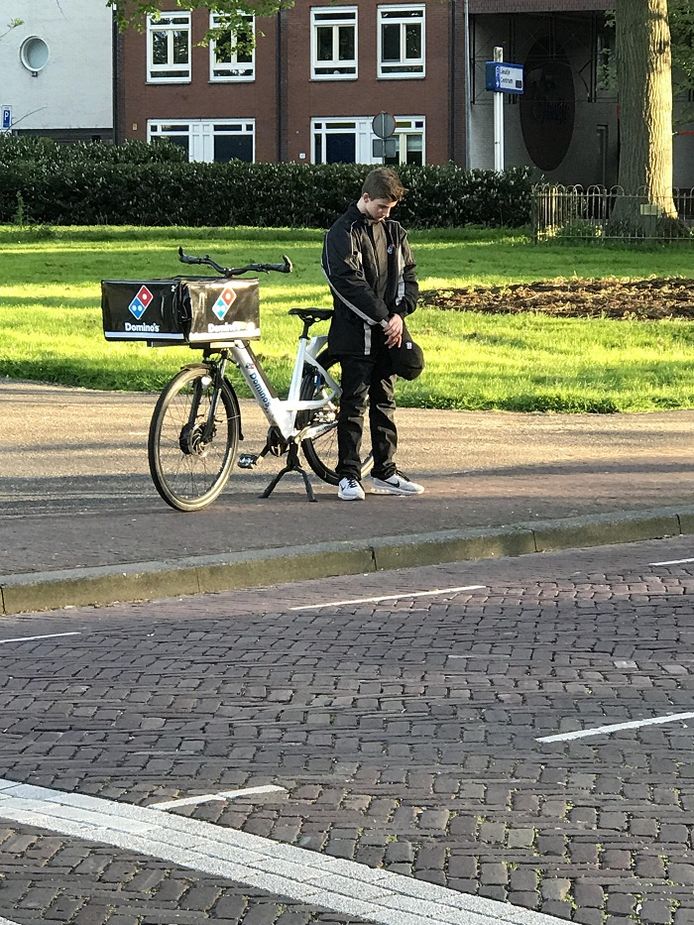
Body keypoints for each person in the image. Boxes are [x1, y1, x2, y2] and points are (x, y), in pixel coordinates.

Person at [321, 167, 424, 501]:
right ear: (365, 198)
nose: (386, 213)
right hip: (355, 335)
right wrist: (383, 318)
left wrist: (399, 315)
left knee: (386, 401)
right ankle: (348, 475)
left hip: (388, 332)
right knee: (353, 403)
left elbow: (408, 277)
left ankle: (385, 470)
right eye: (381, 206)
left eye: (390, 208)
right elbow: (347, 283)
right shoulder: (342, 232)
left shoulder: (395, 232)